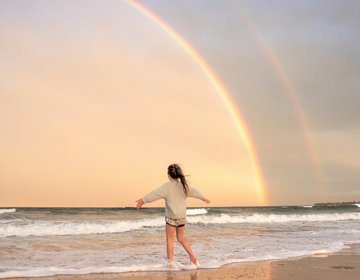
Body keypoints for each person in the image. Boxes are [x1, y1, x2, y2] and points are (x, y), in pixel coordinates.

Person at [135, 164, 210, 267]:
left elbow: (154, 194)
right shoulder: (183, 186)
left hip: (171, 218)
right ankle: (192, 257)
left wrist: (143, 200)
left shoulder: (166, 187)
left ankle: (170, 263)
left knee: (170, 240)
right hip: (181, 218)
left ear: (168, 175)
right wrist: (203, 198)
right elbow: (194, 192)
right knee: (181, 238)